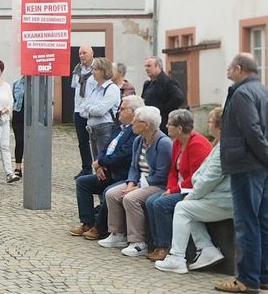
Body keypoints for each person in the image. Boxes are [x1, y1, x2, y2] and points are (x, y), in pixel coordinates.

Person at [215, 53, 268, 294]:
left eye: (229, 67)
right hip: (263, 166)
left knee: (247, 222)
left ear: (238, 69)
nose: (227, 71)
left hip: (247, 165)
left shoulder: (242, 94)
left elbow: (252, 131)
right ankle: (263, 276)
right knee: (263, 220)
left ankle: (248, 278)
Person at [155, 107, 232, 274]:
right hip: (218, 196)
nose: (207, 125)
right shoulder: (220, 144)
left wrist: (191, 196)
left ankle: (177, 257)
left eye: (210, 122)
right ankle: (207, 248)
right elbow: (201, 174)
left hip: (225, 201)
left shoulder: (223, 148)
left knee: (183, 208)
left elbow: (209, 179)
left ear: (218, 126)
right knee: (189, 208)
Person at [98, 105, 172, 256]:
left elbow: (161, 174)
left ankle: (138, 241)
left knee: (131, 198)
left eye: (136, 120)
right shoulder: (138, 140)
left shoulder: (163, 143)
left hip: (156, 184)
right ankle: (117, 233)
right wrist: (131, 183)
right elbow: (133, 167)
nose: (132, 123)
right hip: (139, 181)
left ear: (146, 125)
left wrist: (136, 187)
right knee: (112, 194)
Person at [144, 108, 214, 262]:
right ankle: (157, 244)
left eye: (170, 124)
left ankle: (166, 246)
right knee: (150, 201)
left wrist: (174, 190)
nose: (166, 126)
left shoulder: (197, 144)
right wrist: (170, 188)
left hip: (192, 190)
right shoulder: (177, 142)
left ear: (180, 128)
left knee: (161, 204)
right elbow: (172, 171)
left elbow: (195, 177)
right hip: (178, 188)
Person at [70, 95, 143, 239]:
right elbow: (106, 148)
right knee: (83, 182)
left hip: (121, 175)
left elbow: (123, 155)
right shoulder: (119, 128)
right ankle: (88, 223)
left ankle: (100, 228)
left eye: (123, 109)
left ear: (134, 112)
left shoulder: (134, 132)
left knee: (109, 192)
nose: (119, 111)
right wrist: (99, 164)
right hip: (108, 171)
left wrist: (101, 162)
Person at [79, 58, 122, 165]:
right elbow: (82, 109)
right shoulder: (95, 88)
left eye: (95, 69)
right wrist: (90, 109)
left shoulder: (112, 89)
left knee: (103, 163)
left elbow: (100, 110)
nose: (92, 72)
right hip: (92, 130)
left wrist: (88, 108)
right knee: (96, 163)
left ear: (103, 71)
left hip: (105, 129)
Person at [141, 57, 185, 132]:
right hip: (149, 124)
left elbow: (179, 97)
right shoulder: (147, 84)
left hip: (162, 125)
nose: (146, 69)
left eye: (149, 66)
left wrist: (164, 110)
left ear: (158, 66)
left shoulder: (168, 82)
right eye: (145, 66)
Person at [71, 46, 96, 176]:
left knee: (96, 141)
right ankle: (86, 168)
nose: (81, 55)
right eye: (80, 53)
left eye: (84, 53)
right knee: (82, 142)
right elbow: (75, 87)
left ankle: (100, 167)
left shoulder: (97, 69)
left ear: (92, 54)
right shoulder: (77, 70)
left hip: (93, 110)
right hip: (79, 109)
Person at [11, 75, 25, 181]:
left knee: (32, 143)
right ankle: (18, 167)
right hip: (18, 114)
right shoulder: (17, 84)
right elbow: (14, 99)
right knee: (19, 141)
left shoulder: (37, 83)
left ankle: (32, 165)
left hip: (32, 116)